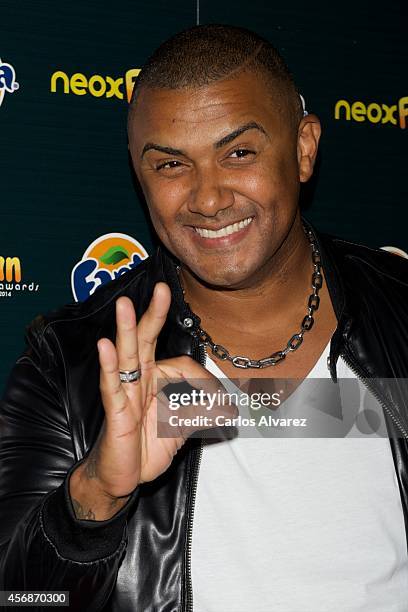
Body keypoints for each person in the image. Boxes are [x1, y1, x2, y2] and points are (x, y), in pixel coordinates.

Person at [1, 23, 408, 612]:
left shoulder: (397, 312)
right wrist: (95, 495)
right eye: (171, 165)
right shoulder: (69, 363)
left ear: (303, 148)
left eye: (238, 153)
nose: (208, 198)